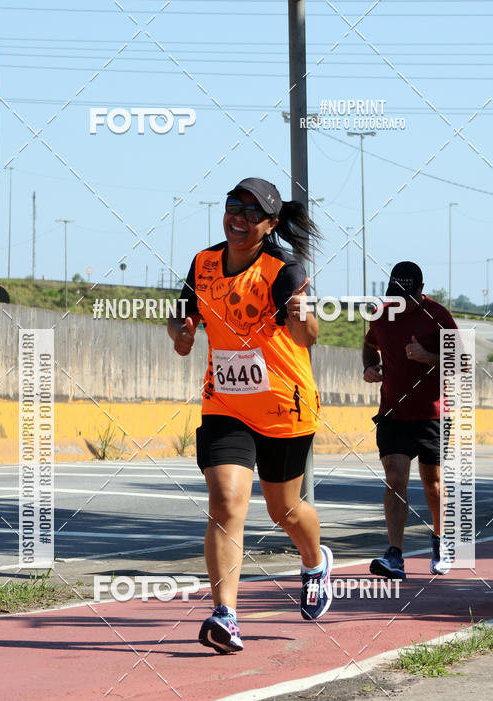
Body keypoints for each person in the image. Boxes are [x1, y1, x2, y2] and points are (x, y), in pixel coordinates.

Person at [168, 177, 333, 653]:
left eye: (251, 212)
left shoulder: (282, 269)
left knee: (285, 509)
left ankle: (313, 562)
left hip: (284, 407)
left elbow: (307, 338)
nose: (238, 217)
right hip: (226, 404)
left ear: (270, 224)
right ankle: (225, 615)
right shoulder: (203, 264)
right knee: (225, 502)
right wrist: (180, 333)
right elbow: (183, 325)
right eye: (232, 205)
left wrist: (304, 315)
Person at [362, 261, 458, 579]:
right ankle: (394, 555)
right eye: (396, 296)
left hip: (432, 415)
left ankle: (441, 542)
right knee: (395, 478)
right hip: (393, 413)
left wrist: (428, 356)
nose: (401, 303)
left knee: (432, 484)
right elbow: (369, 345)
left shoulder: (439, 316)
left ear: (421, 290)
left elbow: (463, 362)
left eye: (408, 296)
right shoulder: (382, 313)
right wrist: (371, 367)